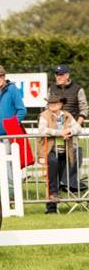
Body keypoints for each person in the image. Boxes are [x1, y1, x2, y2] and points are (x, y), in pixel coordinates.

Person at [38, 94, 82, 213]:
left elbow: (78, 128)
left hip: (66, 150)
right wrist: (59, 133)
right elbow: (42, 130)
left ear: (61, 104)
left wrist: (69, 131)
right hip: (50, 150)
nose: (52, 105)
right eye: (50, 103)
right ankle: (51, 205)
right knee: (52, 171)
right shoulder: (44, 116)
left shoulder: (67, 115)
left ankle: (68, 186)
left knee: (64, 172)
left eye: (55, 103)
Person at [48, 64, 87, 194]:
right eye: (57, 74)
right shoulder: (51, 88)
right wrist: (56, 130)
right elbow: (47, 109)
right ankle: (59, 186)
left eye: (61, 75)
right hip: (55, 132)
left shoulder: (78, 89)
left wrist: (74, 128)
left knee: (74, 154)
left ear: (67, 75)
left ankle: (68, 182)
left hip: (72, 129)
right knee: (56, 158)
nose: (58, 77)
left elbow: (84, 109)